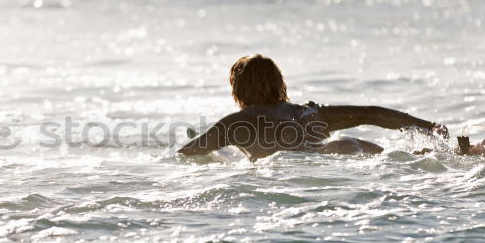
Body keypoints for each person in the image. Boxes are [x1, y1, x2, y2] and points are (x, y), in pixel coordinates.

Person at [178, 54, 448, 161]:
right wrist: (429, 127)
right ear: (279, 83)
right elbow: (371, 113)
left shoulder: (237, 124)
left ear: (237, 90)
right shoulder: (309, 113)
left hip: (305, 165)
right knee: (408, 158)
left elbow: (187, 153)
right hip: (349, 147)